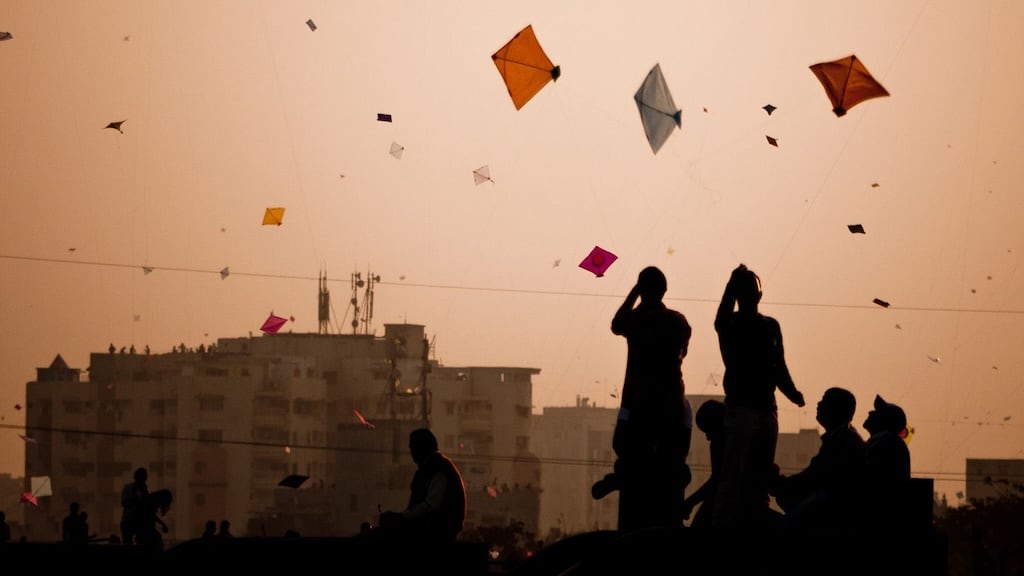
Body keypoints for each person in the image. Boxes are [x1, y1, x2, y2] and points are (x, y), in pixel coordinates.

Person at [712, 264, 805, 532]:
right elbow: (779, 367)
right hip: (752, 409)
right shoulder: (741, 325)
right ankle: (726, 530)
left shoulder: (749, 325)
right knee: (738, 476)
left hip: (757, 409)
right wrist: (792, 393)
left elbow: (779, 366)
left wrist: (791, 392)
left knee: (749, 475)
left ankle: (744, 525)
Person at [599, 266, 692, 532]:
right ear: (664, 291)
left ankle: (626, 479)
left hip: (638, 406)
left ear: (643, 291)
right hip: (673, 407)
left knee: (626, 452)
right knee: (671, 463)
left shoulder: (637, 321)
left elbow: (617, 324)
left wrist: (634, 294)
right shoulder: (678, 322)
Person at [770, 387, 866, 534]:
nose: (819, 404)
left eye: (825, 401)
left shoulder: (842, 441)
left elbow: (811, 478)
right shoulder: (844, 439)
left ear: (836, 410)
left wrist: (777, 482)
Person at [378, 428, 467, 546]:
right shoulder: (433, 467)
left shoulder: (439, 468)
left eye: (413, 447)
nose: (411, 451)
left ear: (423, 447)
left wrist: (401, 518)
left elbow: (430, 505)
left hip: (437, 532)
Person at [863, 394, 912, 537]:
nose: (870, 412)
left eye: (877, 412)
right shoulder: (888, 441)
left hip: (879, 519)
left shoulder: (883, 440)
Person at [681, 399, 725, 531]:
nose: (708, 438)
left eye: (708, 431)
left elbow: (717, 481)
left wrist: (690, 502)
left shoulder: (720, 443)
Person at [120, 467, 149, 544]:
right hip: (129, 521)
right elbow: (124, 502)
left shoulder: (144, 489)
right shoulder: (129, 488)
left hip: (138, 522)